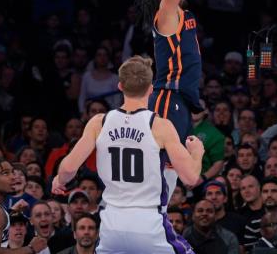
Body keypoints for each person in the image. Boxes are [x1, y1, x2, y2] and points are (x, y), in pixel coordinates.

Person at [52, 55, 204, 254]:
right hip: (148, 224)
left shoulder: (99, 122)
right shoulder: (160, 126)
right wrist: (197, 153)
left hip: (112, 225)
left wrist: (59, 180)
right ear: (150, 89)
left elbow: (69, 167)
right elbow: (191, 177)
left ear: (120, 86)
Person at [139, 0, 202, 197]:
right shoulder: (165, 15)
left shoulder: (171, 12)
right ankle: (151, 215)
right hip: (167, 97)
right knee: (163, 166)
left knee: (169, 170)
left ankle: (157, 218)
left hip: (176, 98)